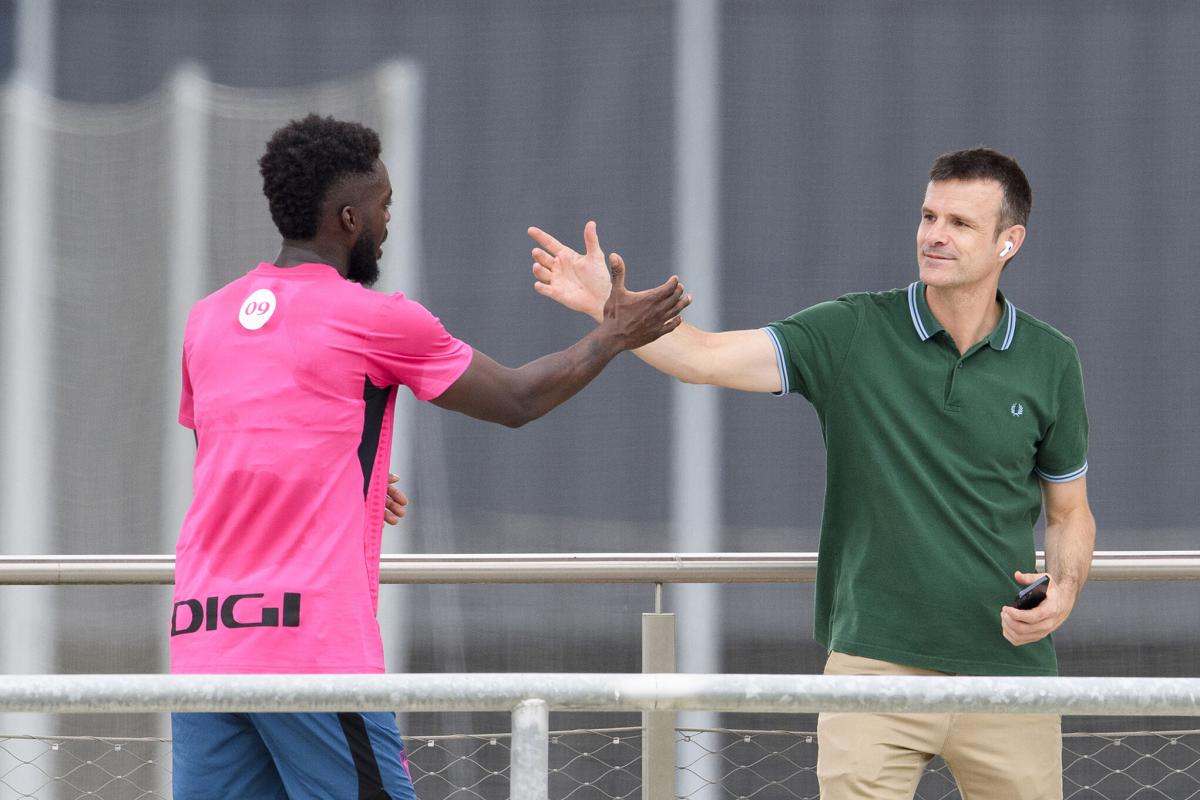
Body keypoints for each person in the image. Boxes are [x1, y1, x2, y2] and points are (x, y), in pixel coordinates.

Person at [529, 147, 1095, 800]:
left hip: (1009, 673)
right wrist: (611, 311)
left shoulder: (1051, 359)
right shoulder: (852, 330)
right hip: (873, 669)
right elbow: (705, 357)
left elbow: (1069, 513)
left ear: (1009, 242)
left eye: (961, 224)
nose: (935, 234)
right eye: (928, 215)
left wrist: (1066, 588)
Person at [169, 113, 689, 800]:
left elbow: (230, 455)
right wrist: (614, 335)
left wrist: (336, 481)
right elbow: (515, 400)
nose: (388, 222)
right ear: (349, 217)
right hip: (310, 650)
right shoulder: (375, 318)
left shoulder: (209, 319)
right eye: (384, 206)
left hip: (203, 640)